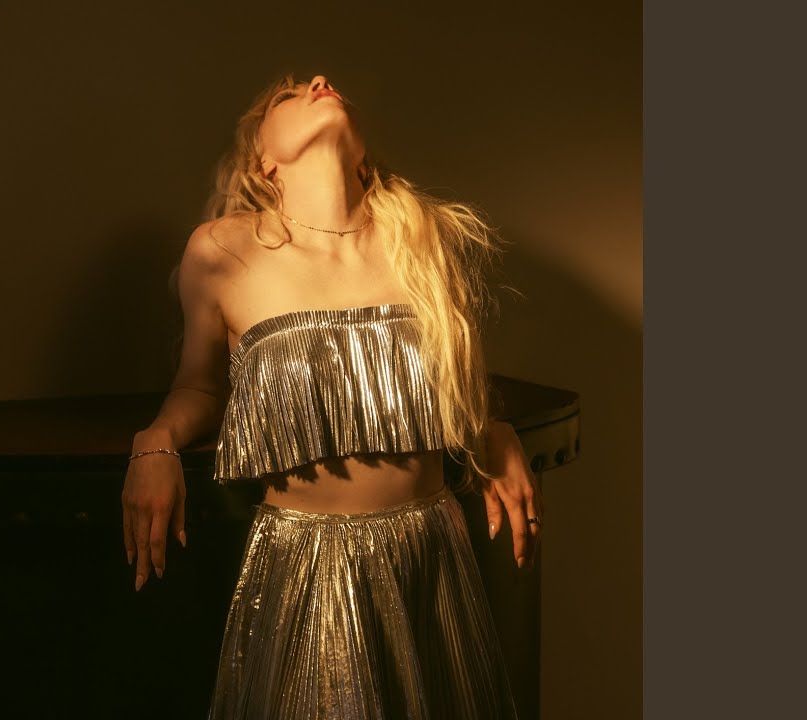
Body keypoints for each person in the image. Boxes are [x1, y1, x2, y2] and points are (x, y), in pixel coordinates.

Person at [121, 72, 543, 719]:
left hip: (431, 555)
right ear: (264, 160)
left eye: (321, 83)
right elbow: (202, 386)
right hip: (308, 564)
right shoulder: (222, 250)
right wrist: (155, 440)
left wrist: (493, 430)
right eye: (289, 95)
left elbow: (456, 385)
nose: (320, 81)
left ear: (363, 155)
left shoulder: (422, 238)